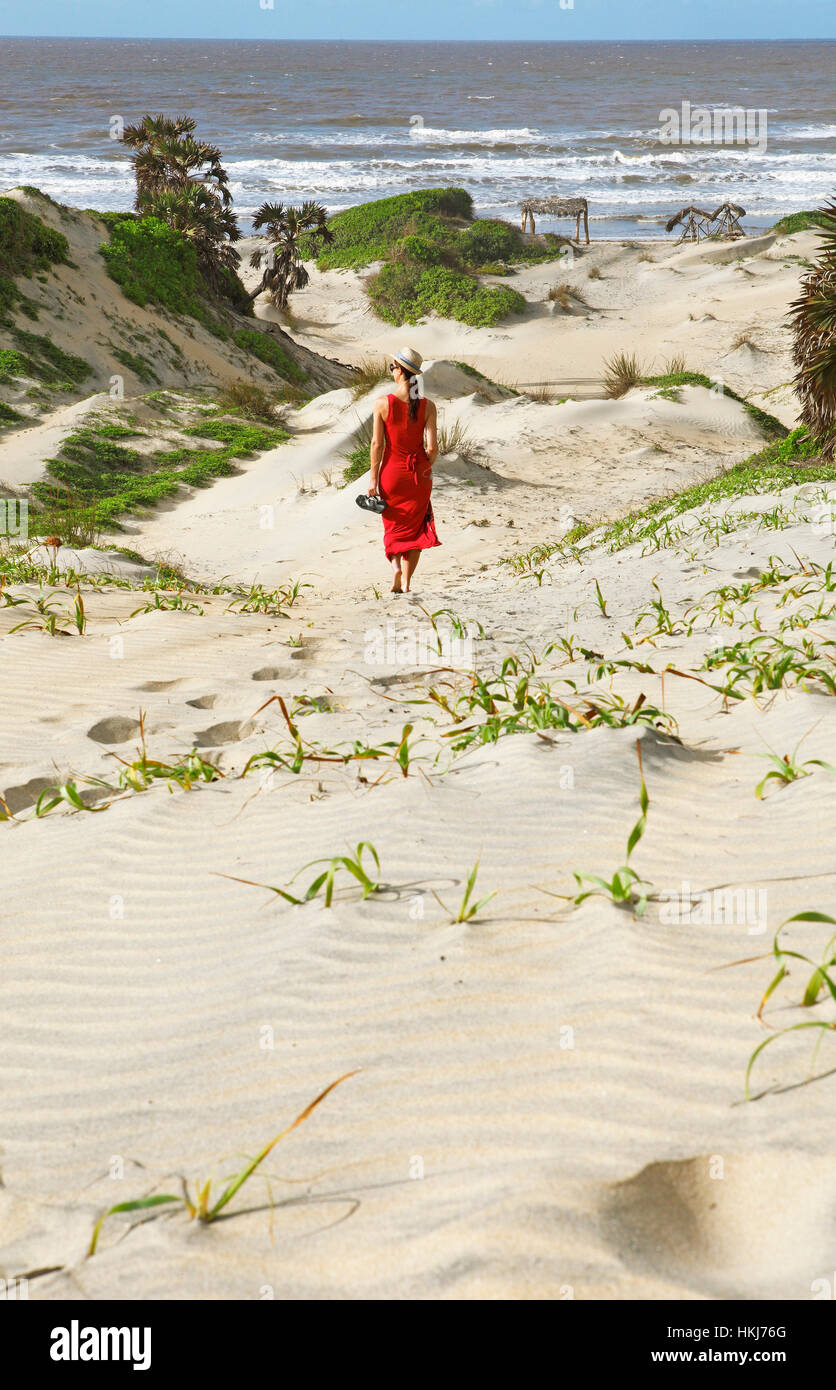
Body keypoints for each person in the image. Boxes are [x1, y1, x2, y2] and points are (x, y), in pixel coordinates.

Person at [368, 346, 440, 593]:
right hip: (419, 476)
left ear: (399, 372)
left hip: (391, 475)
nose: (391, 371)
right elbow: (433, 449)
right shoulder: (428, 406)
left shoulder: (381, 404)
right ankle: (407, 583)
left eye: (392, 367)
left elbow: (377, 445)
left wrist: (372, 481)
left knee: (394, 528)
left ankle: (396, 567)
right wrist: (422, 469)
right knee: (416, 527)